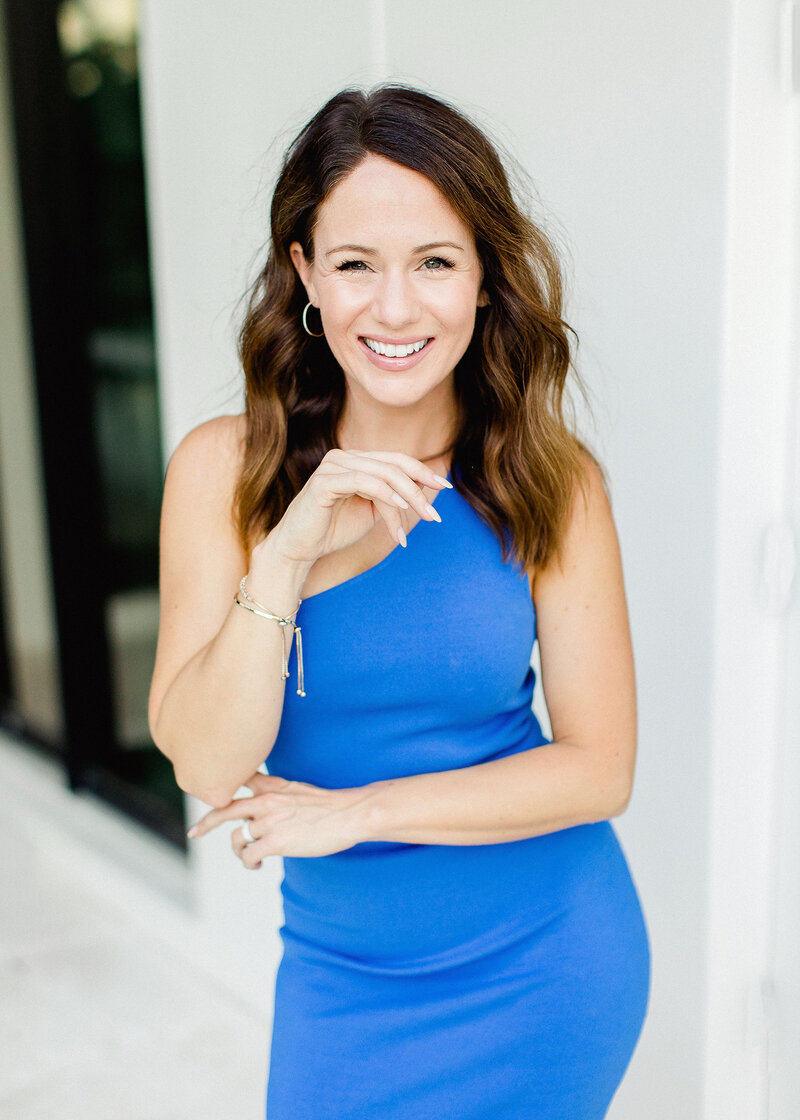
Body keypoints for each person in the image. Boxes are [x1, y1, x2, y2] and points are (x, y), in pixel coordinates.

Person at [148, 82, 650, 1120]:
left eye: (433, 262)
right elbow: (204, 762)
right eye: (353, 264)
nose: (392, 308)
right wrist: (284, 558)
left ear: (480, 277)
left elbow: (598, 770)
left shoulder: (546, 476)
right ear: (303, 276)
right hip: (341, 978)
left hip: (544, 964)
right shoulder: (222, 473)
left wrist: (358, 813)